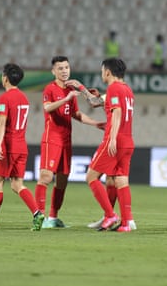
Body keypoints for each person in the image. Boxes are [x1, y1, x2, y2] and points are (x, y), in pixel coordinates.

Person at [34, 56, 103, 229]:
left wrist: (95, 123)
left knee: (62, 181)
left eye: (66, 67)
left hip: (66, 140)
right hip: (52, 139)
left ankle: (53, 217)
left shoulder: (72, 91)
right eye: (60, 68)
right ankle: (39, 217)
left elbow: (76, 114)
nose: (64, 71)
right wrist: (66, 98)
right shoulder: (50, 89)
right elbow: (47, 107)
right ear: (53, 71)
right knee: (46, 177)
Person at [67, 58, 135, 232]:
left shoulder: (113, 88)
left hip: (115, 139)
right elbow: (96, 102)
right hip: (128, 140)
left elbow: (117, 111)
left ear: (107, 72)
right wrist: (83, 89)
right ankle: (127, 222)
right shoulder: (127, 90)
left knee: (91, 177)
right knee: (120, 179)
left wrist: (112, 138)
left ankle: (110, 215)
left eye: (102, 70)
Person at [0, 63, 44, 231]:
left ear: (5, 78)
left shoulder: (4, 98)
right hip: (21, 145)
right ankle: (37, 213)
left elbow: (2, 121)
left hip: (8, 147)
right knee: (17, 185)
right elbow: (13, 124)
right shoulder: (24, 98)